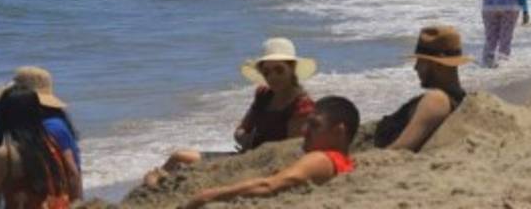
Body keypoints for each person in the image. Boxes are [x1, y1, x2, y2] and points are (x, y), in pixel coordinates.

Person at [144, 37, 316, 188]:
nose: (272, 77)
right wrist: (244, 138)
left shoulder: (302, 105)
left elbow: (290, 151)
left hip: (262, 167)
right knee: (177, 157)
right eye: (267, 72)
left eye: (279, 70)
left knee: (180, 159)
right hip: (245, 157)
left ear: (292, 70)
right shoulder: (264, 95)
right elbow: (240, 129)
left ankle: (155, 185)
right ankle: (154, 184)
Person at [181, 96, 358, 208]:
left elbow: (268, 186)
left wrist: (206, 196)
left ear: (339, 131)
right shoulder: (343, 161)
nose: (305, 130)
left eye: (314, 125)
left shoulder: (321, 158)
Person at [373, 26, 470, 151]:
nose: (416, 68)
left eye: (420, 62)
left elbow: (401, 148)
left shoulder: (437, 99)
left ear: (437, 64)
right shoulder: (458, 97)